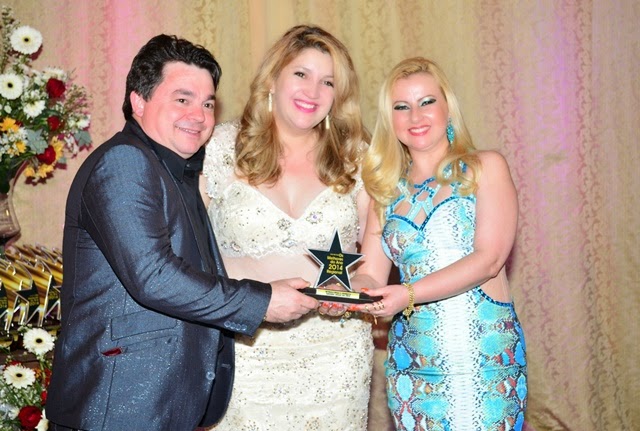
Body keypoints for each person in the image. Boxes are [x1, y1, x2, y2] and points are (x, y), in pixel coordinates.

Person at [46, 34, 317, 431]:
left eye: (207, 103)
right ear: (139, 102)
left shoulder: (176, 170)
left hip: (161, 400)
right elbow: (153, 277)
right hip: (119, 402)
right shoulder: (124, 162)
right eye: (182, 99)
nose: (199, 115)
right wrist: (261, 302)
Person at [200, 25, 373, 430]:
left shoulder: (357, 157)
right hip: (243, 353)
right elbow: (186, 251)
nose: (313, 91)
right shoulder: (219, 148)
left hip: (338, 359)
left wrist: (356, 289)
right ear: (273, 79)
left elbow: (375, 258)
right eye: (301, 74)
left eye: (328, 81)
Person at [350, 57, 528, 430]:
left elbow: (489, 259)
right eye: (401, 106)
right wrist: (347, 293)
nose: (415, 116)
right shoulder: (384, 190)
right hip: (413, 368)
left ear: (448, 108)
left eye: (427, 101)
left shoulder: (485, 167)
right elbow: (370, 274)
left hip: (483, 360)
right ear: (390, 119)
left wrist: (407, 294)